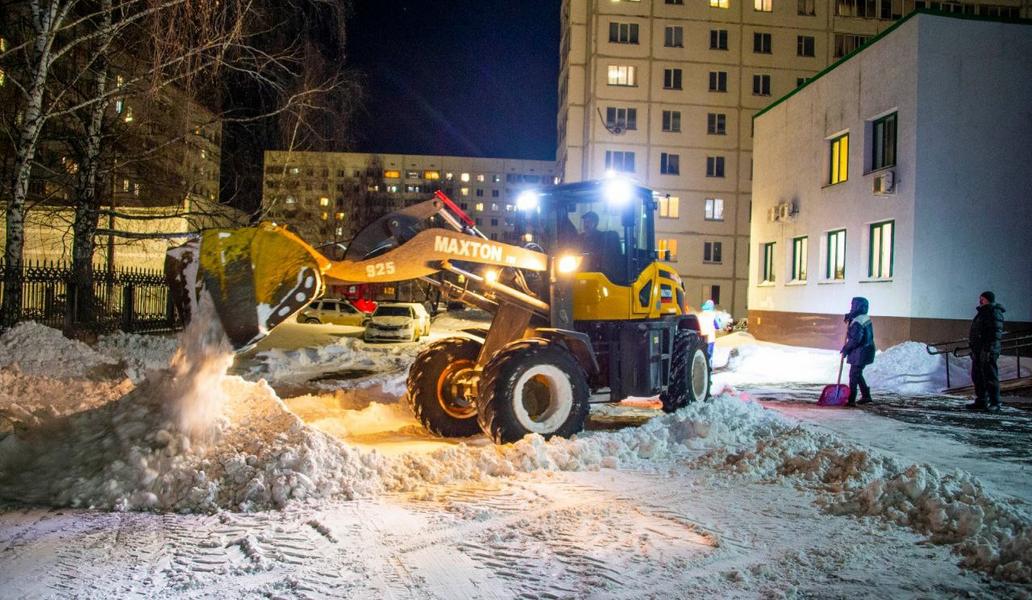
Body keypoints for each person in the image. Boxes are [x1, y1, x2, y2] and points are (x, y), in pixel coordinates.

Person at [967, 290, 1005, 412]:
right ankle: (982, 400)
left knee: (990, 377)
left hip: (988, 351)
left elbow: (995, 334)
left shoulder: (993, 312)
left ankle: (995, 402)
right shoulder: (983, 312)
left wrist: (988, 350)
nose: (980, 300)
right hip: (979, 351)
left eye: (982, 298)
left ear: (987, 299)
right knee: (978, 376)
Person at [841, 296, 876, 406]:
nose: (851, 307)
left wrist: (846, 348)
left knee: (853, 375)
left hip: (860, 352)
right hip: (865, 350)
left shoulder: (857, 321)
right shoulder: (863, 317)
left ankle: (851, 400)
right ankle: (866, 396)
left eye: (853, 305)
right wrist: (850, 316)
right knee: (857, 374)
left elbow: (856, 339)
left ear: (857, 306)